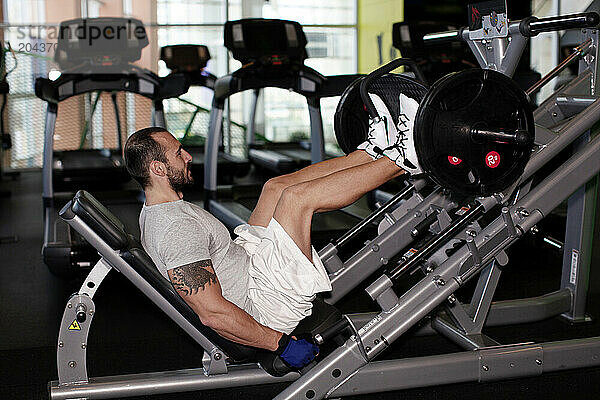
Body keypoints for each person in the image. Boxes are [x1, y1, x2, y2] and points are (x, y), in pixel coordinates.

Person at [123, 92, 422, 369]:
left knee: (276, 187)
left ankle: (373, 153)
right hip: (265, 305)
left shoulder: (158, 209)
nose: (188, 156)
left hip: (248, 266)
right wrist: (280, 344)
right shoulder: (177, 231)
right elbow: (212, 313)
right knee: (297, 200)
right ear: (159, 170)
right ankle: (404, 160)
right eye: (178, 153)